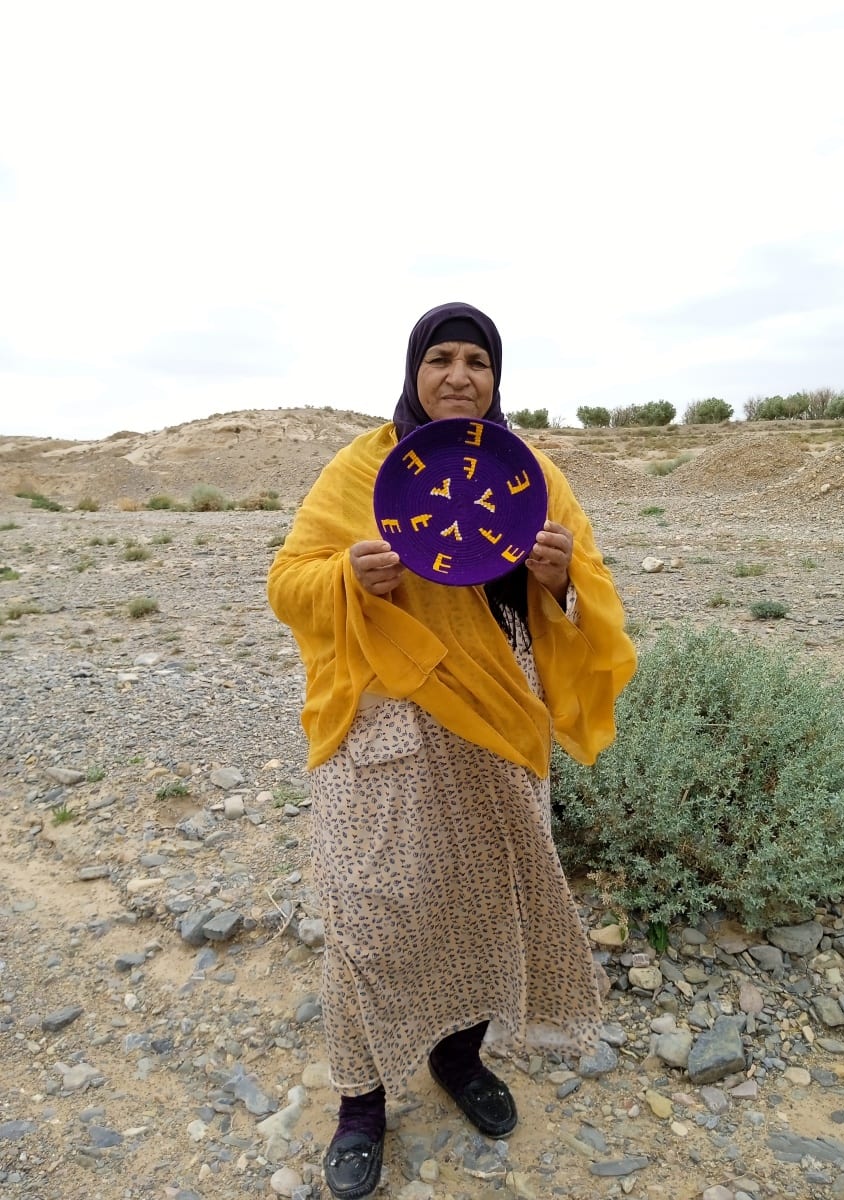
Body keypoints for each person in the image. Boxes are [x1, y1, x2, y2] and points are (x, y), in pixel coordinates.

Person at [267, 301, 636, 1200]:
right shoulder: (362, 468)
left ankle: (457, 1060)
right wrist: (344, 579)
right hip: (383, 718)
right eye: (442, 359)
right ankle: (360, 1105)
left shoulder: (532, 472)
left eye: (478, 360)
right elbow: (287, 581)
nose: (460, 376)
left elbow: (588, 599)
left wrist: (558, 580)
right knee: (366, 909)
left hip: (496, 714)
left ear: (497, 377)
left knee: (483, 896)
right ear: (414, 371)